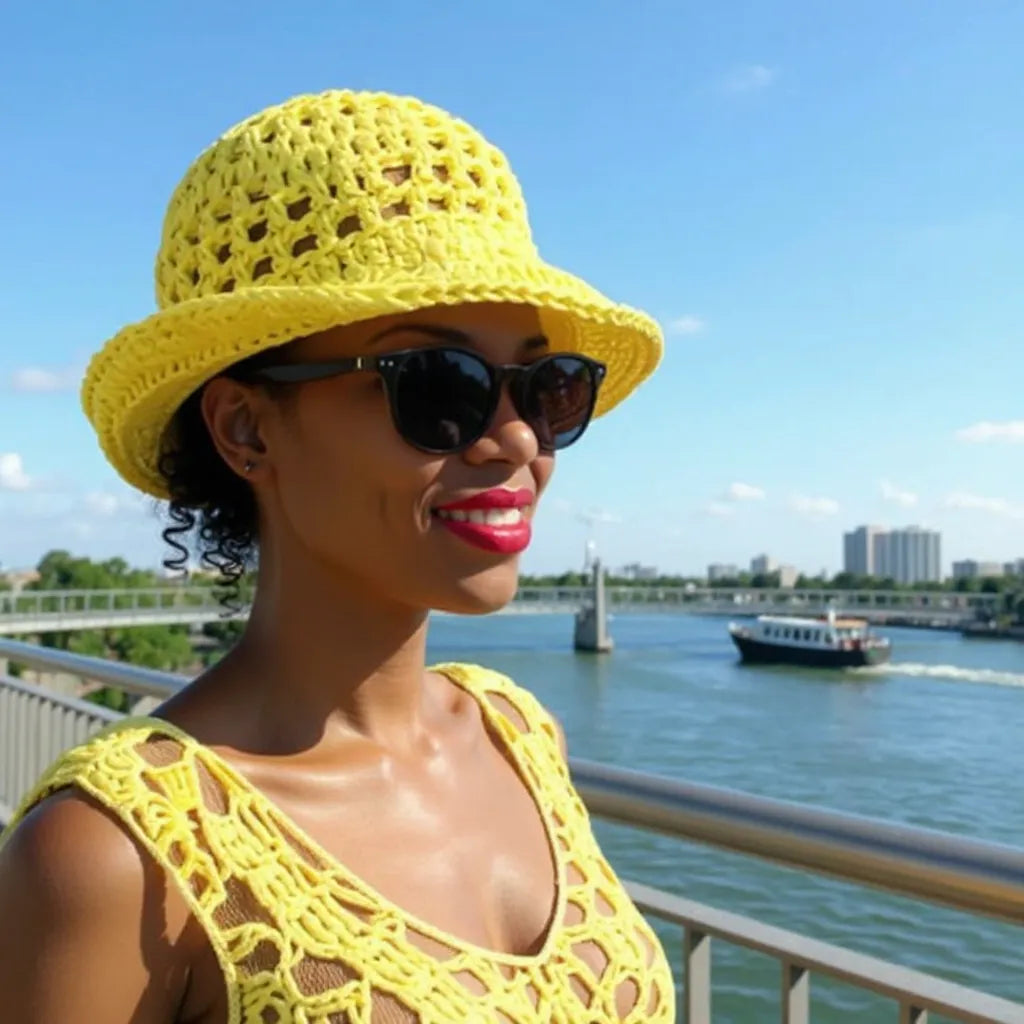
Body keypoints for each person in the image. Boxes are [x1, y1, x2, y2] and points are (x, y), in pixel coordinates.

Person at [0, 89, 674, 1022]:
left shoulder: (521, 736)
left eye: (549, 387)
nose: (517, 441)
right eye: (441, 385)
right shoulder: (113, 857)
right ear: (247, 429)